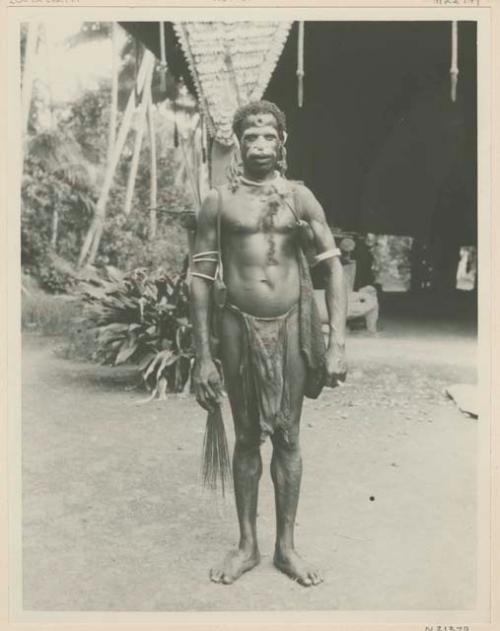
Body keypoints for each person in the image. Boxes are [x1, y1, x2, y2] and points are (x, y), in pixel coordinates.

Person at [190, 100, 347, 587]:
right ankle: (246, 545)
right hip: (237, 327)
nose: (260, 144)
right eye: (250, 136)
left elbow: (332, 267)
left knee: (289, 436)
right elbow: (198, 276)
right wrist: (202, 356)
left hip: (292, 327)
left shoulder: (300, 198)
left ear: (283, 143)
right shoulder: (220, 201)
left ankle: (286, 547)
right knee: (245, 438)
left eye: (268, 136)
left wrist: (336, 341)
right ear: (238, 143)